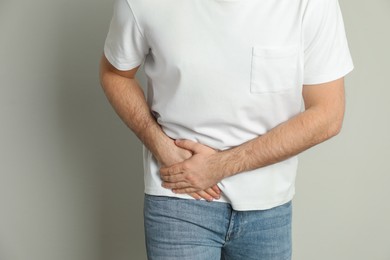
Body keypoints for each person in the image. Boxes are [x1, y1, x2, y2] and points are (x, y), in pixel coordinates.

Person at [99, 0, 354, 258]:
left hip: (268, 205)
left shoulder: (309, 4)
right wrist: (162, 147)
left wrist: (218, 166)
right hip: (179, 195)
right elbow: (115, 74)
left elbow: (328, 114)